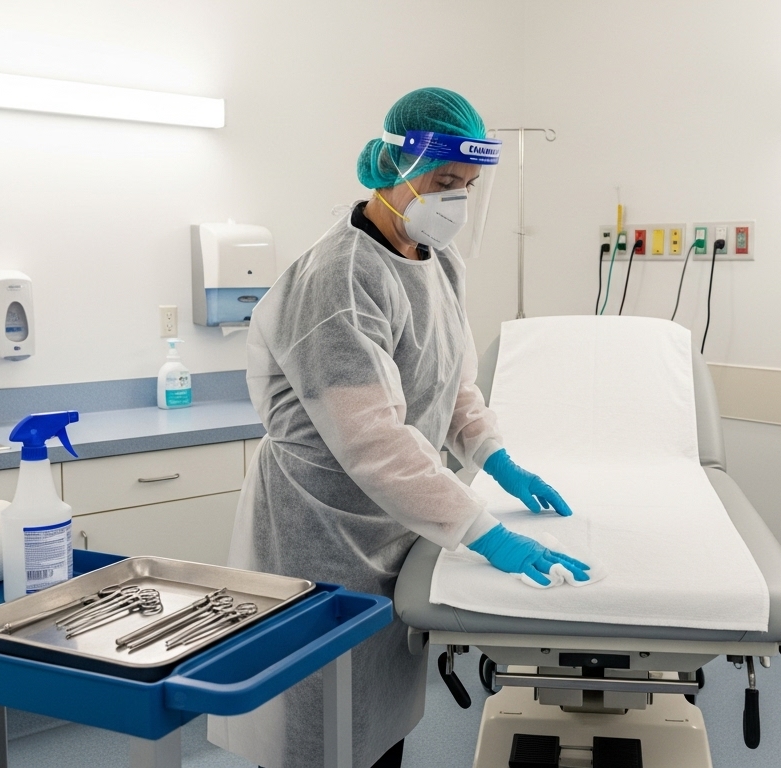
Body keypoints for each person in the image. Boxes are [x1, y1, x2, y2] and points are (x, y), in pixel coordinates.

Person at [208, 87, 589, 768]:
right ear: (393, 164)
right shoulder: (338, 278)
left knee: (378, 720)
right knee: (316, 729)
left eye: (468, 187)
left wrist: (497, 460)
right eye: (445, 183)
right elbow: (371, 438)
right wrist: (484, 533)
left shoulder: (439, 261)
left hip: (394, 521)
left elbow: (451, 383)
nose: (457, 203)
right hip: (317, 532)